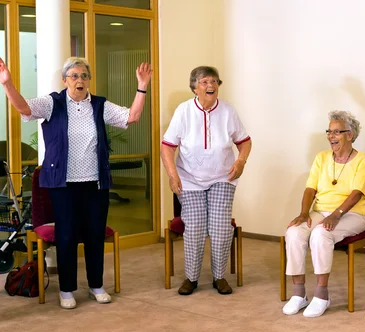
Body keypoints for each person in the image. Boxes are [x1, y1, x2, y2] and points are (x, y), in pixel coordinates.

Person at [0, 57, 152, 309]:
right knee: (67, 235)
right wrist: (7, 84)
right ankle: (67, 289)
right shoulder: (53, 103)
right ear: (65, 80)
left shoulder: (100, 105)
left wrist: (142, 86)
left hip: (95, 183)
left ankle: (96, 285)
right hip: (64, 184)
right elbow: (24, 109)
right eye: (74, 76)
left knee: (94, 234)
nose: (79, 80)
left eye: (84, 76)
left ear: (89, 80)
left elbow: (131, 117)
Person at [161, 66, 251, 296]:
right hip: (189, 179)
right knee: (195, 228)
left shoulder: (228, 111)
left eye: (214, 81)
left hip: (223, 177)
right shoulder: (184, 111)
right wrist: (173, 175)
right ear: (194, 87)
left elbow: (244, 141)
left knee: (221, 227)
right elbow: (168, 146)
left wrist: (240, 162)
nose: (210, 85)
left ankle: (219, 277)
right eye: (204, 82)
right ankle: (191, 278)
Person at [283, 110, 365, 318]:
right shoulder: (321, 158)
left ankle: (322, 295)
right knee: (294, 232)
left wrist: (336, 214)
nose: (331, 136)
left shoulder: (364, 160)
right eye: (329, 131)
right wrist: (304, 213)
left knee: (321, 233)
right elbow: (310, 189)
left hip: (353, 214)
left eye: (336, 132)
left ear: (350, 135)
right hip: (320, 210)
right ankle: (299, 294)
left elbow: (357, 193)